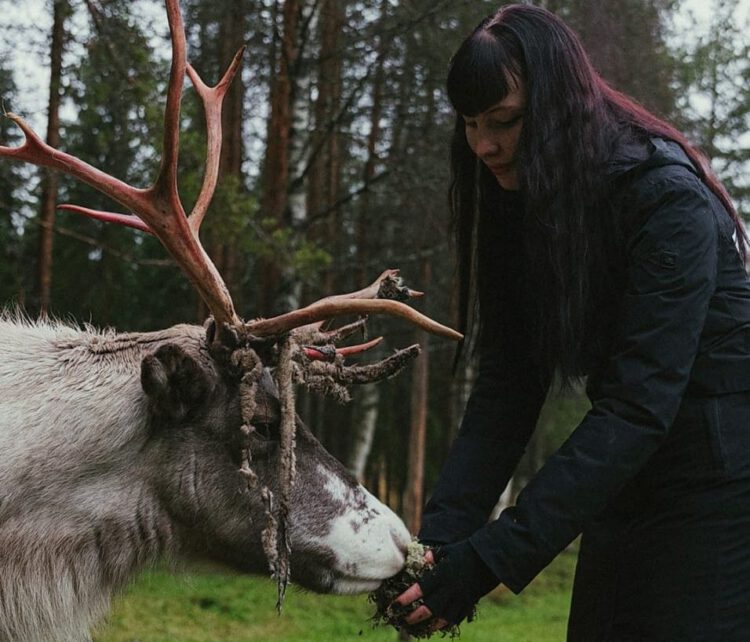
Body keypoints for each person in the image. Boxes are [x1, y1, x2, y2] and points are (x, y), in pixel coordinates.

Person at [394, 4, 750, 640]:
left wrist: (488, 560)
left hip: (721, 491)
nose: (482, 145)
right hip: (627, 478)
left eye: (503, 121)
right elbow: (509, 384)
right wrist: (442, 545)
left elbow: (639, 406)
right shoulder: (524, 200)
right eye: (470, 124)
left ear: (559, 107)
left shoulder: (666, 197)